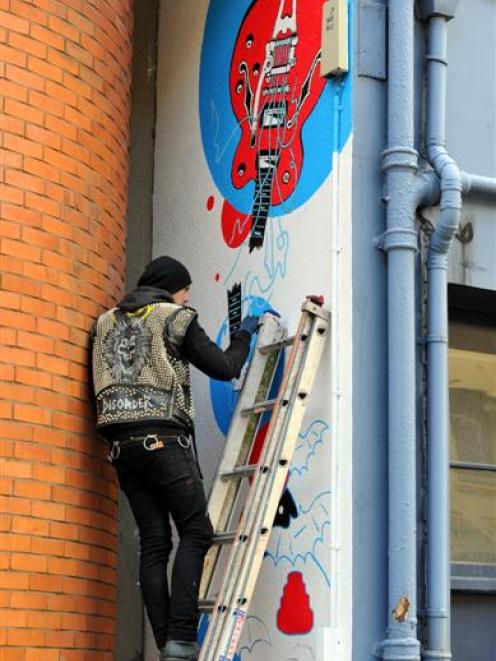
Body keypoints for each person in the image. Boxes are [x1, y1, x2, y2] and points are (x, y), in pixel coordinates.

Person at [90, 256, 259, 661]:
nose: (187, 296)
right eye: (185, 289)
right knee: (196, 530)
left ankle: (169, 641)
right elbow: (223, 367)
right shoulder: (175, 316)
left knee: (155, 542)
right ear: (173, 288)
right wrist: (245, 335)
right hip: (163, 439)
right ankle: (181, 639)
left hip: (120, 447)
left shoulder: (106, 322)